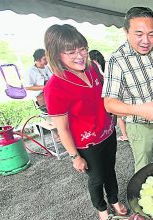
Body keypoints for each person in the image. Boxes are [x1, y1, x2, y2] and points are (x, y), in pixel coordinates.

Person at [43, 24, 127, 220]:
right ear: (56, 55)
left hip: (108, 132)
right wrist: (75, 156)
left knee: (110, 170)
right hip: (87, 143)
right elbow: (62, 129)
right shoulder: (54, 87)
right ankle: (102, 210)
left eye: (82, 49)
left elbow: (105, 98)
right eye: (71, 52)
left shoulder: (93, 69)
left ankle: (114, 200)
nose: (79, 55)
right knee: (97, 179)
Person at [101, 7, 153, 172]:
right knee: (143, 170)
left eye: (151, 34)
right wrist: (139, 110)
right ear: (126, 31)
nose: (146, 41)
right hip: (139, 126)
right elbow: (109, 104)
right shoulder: (117, 60)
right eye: (139, 34)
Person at [89, 50, 128, 142]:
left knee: (118, 116)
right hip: (118, 91)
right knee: (122, 113)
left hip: (108, 95)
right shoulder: (108, 65)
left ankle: (125, 135)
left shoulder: (94, 68)